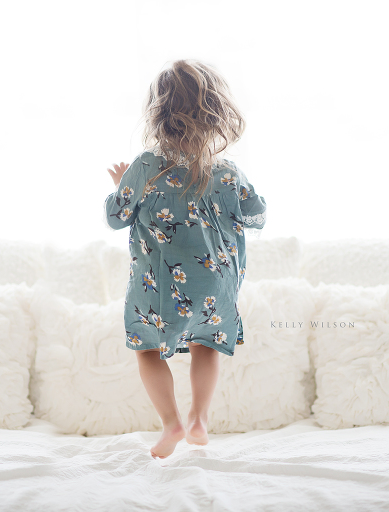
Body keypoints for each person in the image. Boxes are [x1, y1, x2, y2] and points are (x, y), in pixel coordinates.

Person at [103, 59, 267, 459]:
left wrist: (120, 186)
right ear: (215, 115)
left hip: (159, 287)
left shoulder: (144, 168)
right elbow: (256, 215)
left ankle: (171, 422)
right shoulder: (228, 173)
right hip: (213, 288)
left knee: (146, 348)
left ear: (158, 117)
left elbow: (116, 217)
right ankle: (199, 420)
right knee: (205, 346)